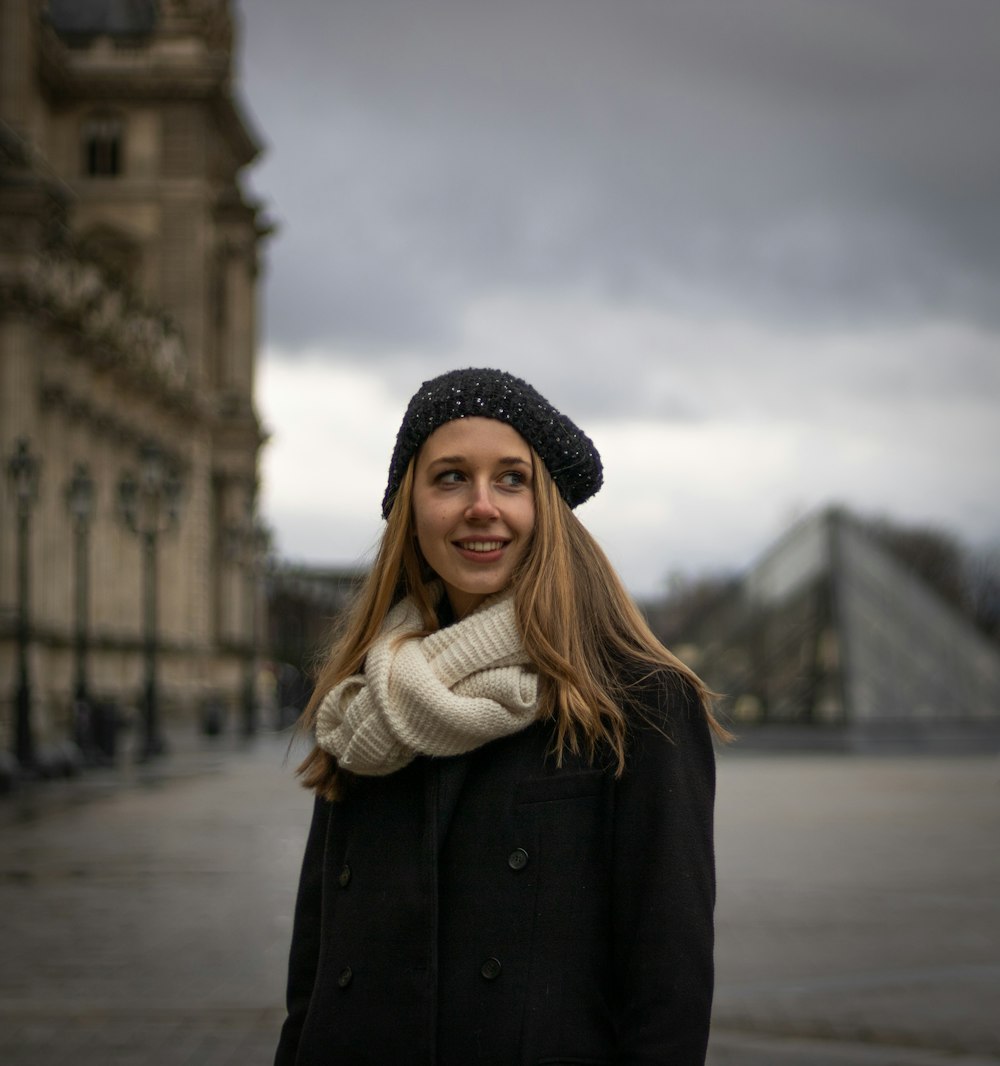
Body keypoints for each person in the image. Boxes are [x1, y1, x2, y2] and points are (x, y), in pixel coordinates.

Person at [274, 367, 728, 1066]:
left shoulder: (641, 702)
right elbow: (313, 976)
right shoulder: (364, 702)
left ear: (546, 506)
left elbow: (666, 989)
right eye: (450, 477)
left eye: (511, 479)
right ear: (410, 507)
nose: (481, 506)